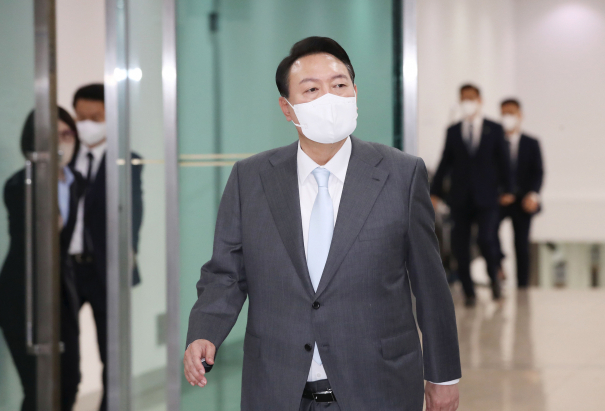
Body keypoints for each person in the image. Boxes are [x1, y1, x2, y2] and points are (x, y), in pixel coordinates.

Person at [182, 37, 461, 411]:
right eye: (311, 89)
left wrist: (443, 376)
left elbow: (430, 284)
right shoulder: (251, 178)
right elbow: (225, 273)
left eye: (339, 85)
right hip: (278, 389)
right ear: (287, 108)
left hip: (379, 387)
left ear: (355, 93)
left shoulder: (401, 174)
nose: (329, 97)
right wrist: (205, 331)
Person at [0, 107, 84, 411]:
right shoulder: (19, 184)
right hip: (23, 294)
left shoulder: (75, 182)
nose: (62, 142)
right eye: (53, 136)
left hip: (62, 293)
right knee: (38, 388)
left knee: (69, 381)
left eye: (67, 134)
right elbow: (30, 238)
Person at [69, 83, 144, 411]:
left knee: (112, 356)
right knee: (63, 354)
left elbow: (133, 214)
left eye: (95, 117)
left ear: (110, 117)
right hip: (66, 269)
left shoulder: (126, 160)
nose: (86, 124)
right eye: (80, 117)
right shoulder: (63, 158)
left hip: (105, 270)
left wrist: (127, 257)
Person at [430, 84, 514, 306]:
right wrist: (434, 193)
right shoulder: (453, 131)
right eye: (463, 98)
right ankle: (468, 292)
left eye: (471, 98)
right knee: (460, 246)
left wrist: (509, 189)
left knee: (486, 239)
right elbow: (445, 162)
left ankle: (494, 279)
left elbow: (504, 161)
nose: (467, 102)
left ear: (479, 100)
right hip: (460, 198)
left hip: (487, 198)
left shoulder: (494, 129)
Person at [497, 99, 544, 288]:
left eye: (511, 113)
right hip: (500, 200)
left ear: (520, 115)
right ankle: (498, 265)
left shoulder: (531, 143)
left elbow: (538, 172)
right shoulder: (495, 141)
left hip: (523, 201)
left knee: (522, 246)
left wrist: (532, 195)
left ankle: (523, 286)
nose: (507, 117)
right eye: (504, 113)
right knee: (487, 234)